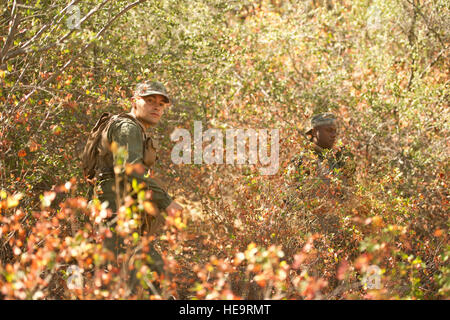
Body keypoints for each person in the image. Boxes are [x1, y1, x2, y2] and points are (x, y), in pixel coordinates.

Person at [83, 80, 183, 292]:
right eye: (149, 100)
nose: (156, 106)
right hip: (114, 217)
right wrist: (167, 202)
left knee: (132, 280)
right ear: (134, 101)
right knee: (153, 276)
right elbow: (130, 171)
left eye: (161, 103)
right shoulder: (128, 127)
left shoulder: (131, 127)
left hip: (116, 213)